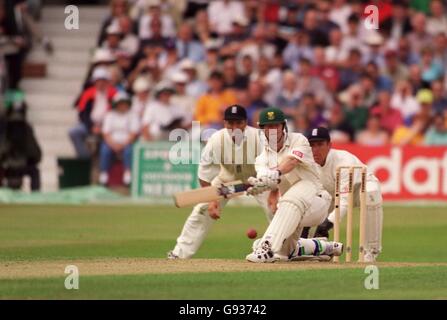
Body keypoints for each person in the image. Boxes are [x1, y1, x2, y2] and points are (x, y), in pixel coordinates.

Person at [167, 105, 273, 259]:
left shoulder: (260, 138)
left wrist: (274, 192)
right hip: (229, 181)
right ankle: (179, 254)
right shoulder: (216, 140)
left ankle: (282, 250)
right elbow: (204, 174)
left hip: (259, 180)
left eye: (239, 123)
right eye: (230, 123)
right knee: (201, 210)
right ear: (224, 123)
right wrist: (211, 200)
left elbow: (273, 167)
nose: (235, 128)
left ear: (246, 122)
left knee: (276, 209)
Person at [245, 108, 341, 263]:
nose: (273, 130)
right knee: (283, 254)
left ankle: (267, 248)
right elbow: (266, 178)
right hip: (291, 210)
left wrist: (275, 173)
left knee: (299, 189)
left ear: (283, 126)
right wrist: (260, 185)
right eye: (268, 127)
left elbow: (291, 161)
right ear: (262, 129)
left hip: (316, 201)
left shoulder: (299, 140)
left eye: (276, 126)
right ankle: (323, 247)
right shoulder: (261, 159)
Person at [305, 127, 383, 262]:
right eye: (311, 145)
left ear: (329, 145)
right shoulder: (308, 164)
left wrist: (326, 224)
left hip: (360, 190)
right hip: (333, 194)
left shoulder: (343, 162)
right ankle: (313, 249)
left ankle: (371, 251)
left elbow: (344, 202)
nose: (315, 150)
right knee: (308, 203)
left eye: (319, 145)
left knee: (372, 194)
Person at [99, 92, 139, 186]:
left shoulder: (133, 115)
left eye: (124, 103)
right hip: (111, 142)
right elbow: (106, 133)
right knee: (104, 150)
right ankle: (103, 175)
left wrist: (122, 145)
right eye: (120, 103)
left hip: (127, 142)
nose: (122, 105)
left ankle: (128, 175)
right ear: (116, 104)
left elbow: (133, 133)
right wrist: (113, 145)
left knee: (129, 151)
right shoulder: (109, 115)